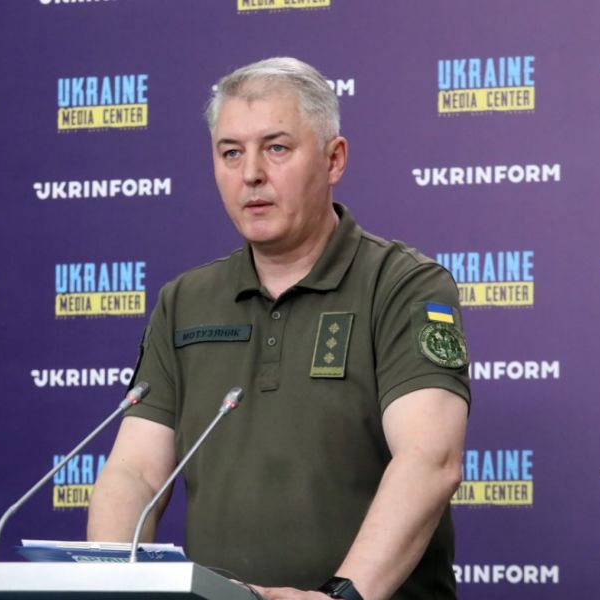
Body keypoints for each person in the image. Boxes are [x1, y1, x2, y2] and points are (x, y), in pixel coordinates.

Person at [87, 57, 470, 600]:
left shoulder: (403, 285)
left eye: (276, 148)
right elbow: (136, 474)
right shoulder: (185, 302)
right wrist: (112, 585)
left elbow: (430, 460)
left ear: (334, 159)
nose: (250, 174)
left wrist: (340, 596)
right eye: (231, 152)